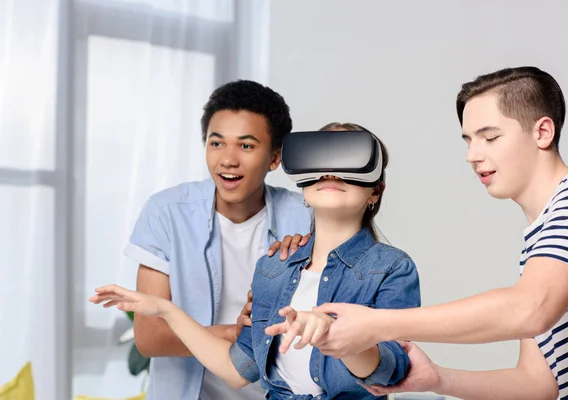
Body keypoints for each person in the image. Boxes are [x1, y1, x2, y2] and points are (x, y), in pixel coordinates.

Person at [269, 67, 568, 400]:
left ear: (542, 132)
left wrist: (378, 324)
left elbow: (529, 309)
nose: (473, 156)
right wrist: (437, 379)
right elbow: (537, 385)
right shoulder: (542, 244)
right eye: (468, 140)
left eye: (490, 137)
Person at [91, 123, 421, 399]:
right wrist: (165, 310)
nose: (330, 173)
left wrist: (338, 339)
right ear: (304, 185)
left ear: (375, 190)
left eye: (348, 161)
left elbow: (391, 371)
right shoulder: (273, 268)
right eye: (319, 162)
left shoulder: (393, 269)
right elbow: (238, 369)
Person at [122, 79, 313, 400]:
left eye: (246, 145)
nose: (228, 159)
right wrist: (235, 334)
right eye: (217, 143)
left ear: (275, 157)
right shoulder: (166, 213)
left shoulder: (306, 216)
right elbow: (150, 337)